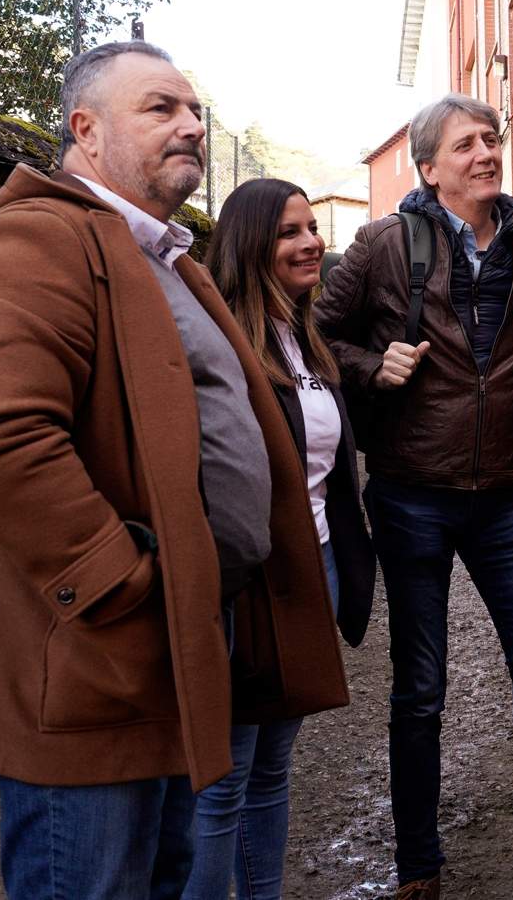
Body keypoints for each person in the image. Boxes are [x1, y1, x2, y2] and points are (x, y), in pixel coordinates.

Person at [0, 41, 348, 899]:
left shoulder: (162, 257)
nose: (192, 125)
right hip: (93, 668)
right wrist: (123, 587)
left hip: (178, 654)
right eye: (161, 108)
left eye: (194, 111)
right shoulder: (35, 236)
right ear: (86, 128)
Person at [313, 93, 513, 900]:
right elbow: (316, 337)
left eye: (492, 139)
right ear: (429, 169)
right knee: (421, 690)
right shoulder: (381, 246)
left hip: (505, 501)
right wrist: (372, 366)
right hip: (413, 497)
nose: (486, 152)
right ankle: (418, 869)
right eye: (466, 144)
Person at [183, 179, 376, 899]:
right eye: (290, 232)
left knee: (271, 769)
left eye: (312, 228)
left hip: (312, 568)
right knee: (224, 776)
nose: (311, 243)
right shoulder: (223, 337)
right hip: (249, 579)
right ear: (252, 244)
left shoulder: (304, 334)